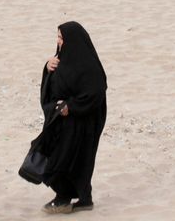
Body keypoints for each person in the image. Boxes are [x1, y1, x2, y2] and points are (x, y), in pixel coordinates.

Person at [38, 21, 107, 214]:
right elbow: (51, 88)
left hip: (83, 122)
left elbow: (96, 92)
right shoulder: (60, 60)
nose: (59, 42)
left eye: (62, 38)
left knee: (72, 159)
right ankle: (83, 199)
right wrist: (47, 68)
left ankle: (64, 198)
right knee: (61, 156)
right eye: (58, 37)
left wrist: (72, 107)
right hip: (63, 121)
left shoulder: (89, 66)